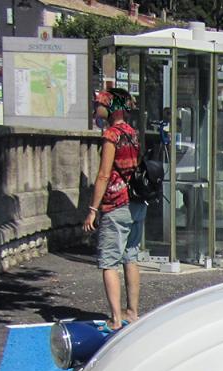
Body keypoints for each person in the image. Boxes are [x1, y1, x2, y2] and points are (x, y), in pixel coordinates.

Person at [83, 88, 145, 330]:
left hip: (116, 203)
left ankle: (116, 319)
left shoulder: (112, 135)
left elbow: (103, 175)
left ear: (110, 107)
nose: (96, 108)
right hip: (137, 203)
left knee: (110, 261)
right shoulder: (133, 134)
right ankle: (133, 312)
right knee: (131, 257)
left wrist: (92, 209)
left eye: (99, 104)